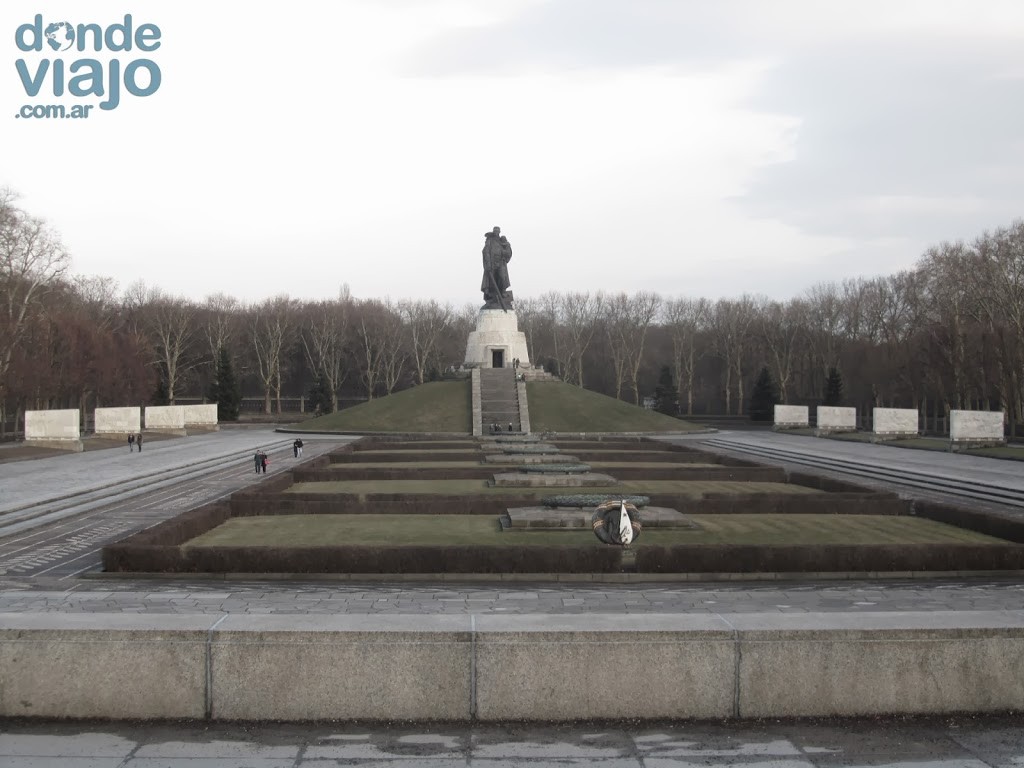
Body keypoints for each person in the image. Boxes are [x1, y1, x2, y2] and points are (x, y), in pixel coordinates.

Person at [480, 226, 512, 308]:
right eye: (495, 231)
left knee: (502, 277)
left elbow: (508, 252)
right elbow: (485, 251)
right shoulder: (489, 240)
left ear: (499, 232)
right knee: (491, 281)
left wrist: (505, 250)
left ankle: (502, 293)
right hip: (492, 264)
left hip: (500, 263)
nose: (496, 232)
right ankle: (492, 297)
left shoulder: (502, 241)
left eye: (497, 231)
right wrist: (488, 263)